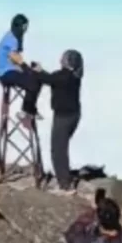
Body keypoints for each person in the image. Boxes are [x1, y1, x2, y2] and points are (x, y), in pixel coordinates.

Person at [35, 50, 84, 192]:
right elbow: (51, 78)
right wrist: (42, 72)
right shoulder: (74, 76)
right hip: (74, 115)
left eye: (63, 57)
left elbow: (48, 79)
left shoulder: (63, 76)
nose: (60, 58)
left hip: (63, 117)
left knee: (58, 150)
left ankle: (65, 184)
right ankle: (65, 179)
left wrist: (37, 71)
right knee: (61, 147)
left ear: (68, 61)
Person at [0, 14, 42, 125]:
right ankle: (26, 113)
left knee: (35, 78)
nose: (26, 29)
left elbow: (13, 58)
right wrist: (26, 68)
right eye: (24, 26)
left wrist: (26, 69)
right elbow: (13, 56)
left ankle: (29, 110)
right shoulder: (12, 39)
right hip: (6, 74)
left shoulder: (12, 36)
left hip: (8, 71)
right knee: (34, 82)